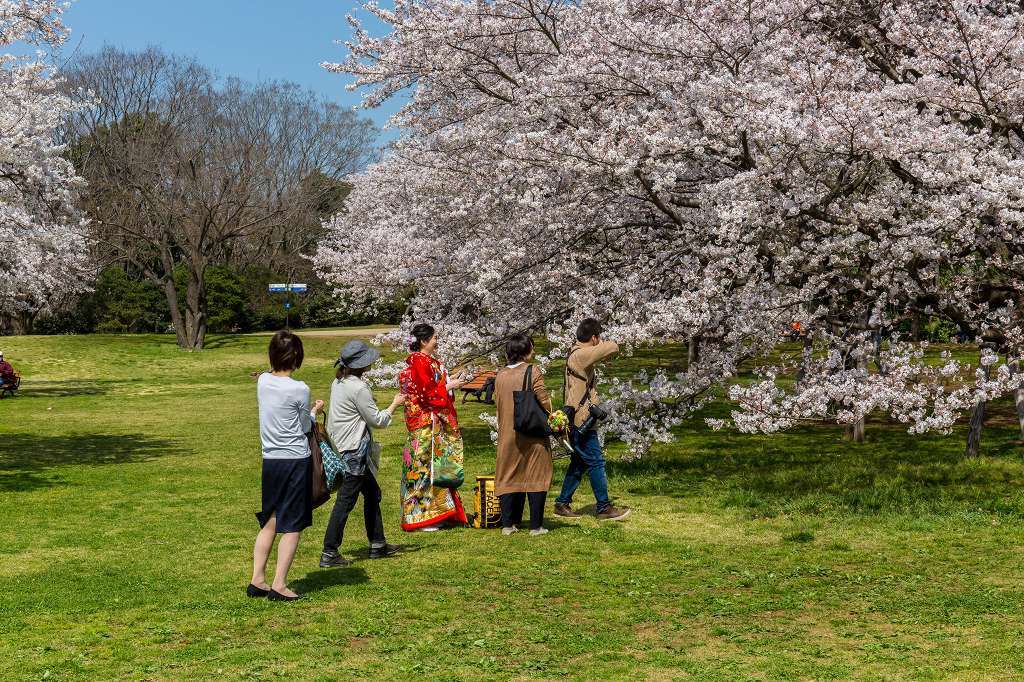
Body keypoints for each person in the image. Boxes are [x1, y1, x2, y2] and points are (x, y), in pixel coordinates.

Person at [249, 330, 323, 602]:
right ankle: (279, 584)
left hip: (271, 460)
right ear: (297, 357)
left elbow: (267, 375)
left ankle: (258, 579)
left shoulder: (263, 382)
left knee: (271, 518)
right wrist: (314, 412)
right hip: (294, 458)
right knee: (293, 524)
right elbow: (304, 426)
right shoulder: (299, 389)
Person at [320, 340, 406, 567]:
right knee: (345, 502)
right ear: (361, 364)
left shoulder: (338, 382)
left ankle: (377, 544)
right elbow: (377, 420)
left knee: (372, 493)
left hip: (343, 448)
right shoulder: (358, 388)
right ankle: (329, 551)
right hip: (354, 452)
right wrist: (395, 404)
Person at [554, 318, 631, 521]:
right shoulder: (580, 354)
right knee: (596, 461)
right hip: (582, 420)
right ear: (594, 337)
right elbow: (613, 347)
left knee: (579, 462)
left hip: (579, 418)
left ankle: (562, 503)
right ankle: (604, 507)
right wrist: (605, 343)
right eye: (599, 337)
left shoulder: (576, 353)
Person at [398, 323, 469, 531]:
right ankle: (420, 517)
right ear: (423, 341)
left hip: (432, 421)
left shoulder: (429, 361)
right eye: (435, 338)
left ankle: (438, 512)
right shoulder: (419, 361)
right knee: (422, 467)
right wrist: (448, 386)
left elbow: (433, 386)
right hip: (425, 421)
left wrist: (450, 381)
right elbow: (427, 394)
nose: (437, 341)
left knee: (434, 467)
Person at [493, 334, 553, 536]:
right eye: (532, 348)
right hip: (531, 430)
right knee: (538, 472)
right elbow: (542, 398)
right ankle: (536, 526)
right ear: (525, 352)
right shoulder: (532, 370)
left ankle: (508, 524)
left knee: (508, 473)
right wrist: (553, 415)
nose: (534, 352)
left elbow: (498, 404)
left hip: (507, 432)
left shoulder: (500, 375)